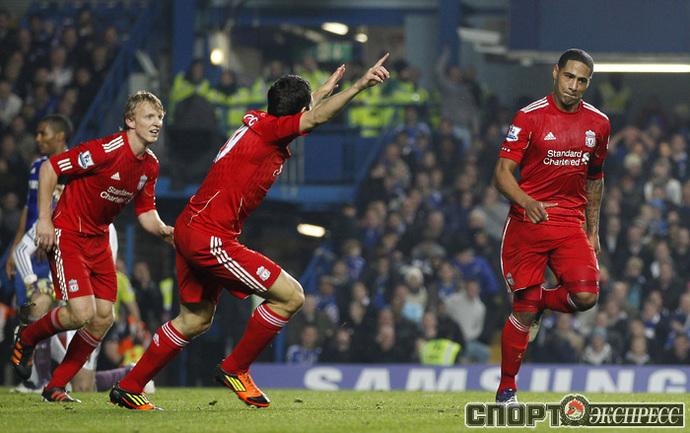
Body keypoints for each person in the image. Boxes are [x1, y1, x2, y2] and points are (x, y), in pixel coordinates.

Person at [109, 54, 391, 410]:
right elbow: (314, 117)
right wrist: (359, 85)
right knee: (291, 296)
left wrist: (321, 91)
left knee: (194, 319)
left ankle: (130, 386)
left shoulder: (259, 122)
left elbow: (302, 112)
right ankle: (235, 369)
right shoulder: (273, 131)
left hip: (191, 227)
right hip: (211, 237)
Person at [11, 91, 174, 403]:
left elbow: (145, 212)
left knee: (103, 318)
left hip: (98, 240)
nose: (157, 123)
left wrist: (162, 229)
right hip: (69, 233)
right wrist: (44, 220)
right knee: (81, 313)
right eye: (149, 117)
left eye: (160, 118)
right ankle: (27, 338)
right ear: (130, 121)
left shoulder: (150, 166)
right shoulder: (105, 150)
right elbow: (50, 169)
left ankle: (55, 386)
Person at [493, 49, 609, 406]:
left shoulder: (599, 123)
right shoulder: (529, 117)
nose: (573, 86)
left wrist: (593, 229)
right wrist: (526, 201)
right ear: (555, 73)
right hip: (527, 222)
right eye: (569, 76)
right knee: (523, 311)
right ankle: (507, 389)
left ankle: (541, 300)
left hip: (570, 223)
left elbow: (595, 177)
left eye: (582, 81)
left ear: (588, 84)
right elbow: (501, 174)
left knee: (586, 297)